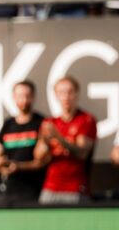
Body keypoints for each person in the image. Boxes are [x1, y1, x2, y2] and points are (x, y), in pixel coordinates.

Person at [34, 76, 96, 204]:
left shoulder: (86, 120)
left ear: (77, 94)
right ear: (56, 96)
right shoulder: (50, 122)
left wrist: (58, 137)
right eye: (61, 93)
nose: (66, 97)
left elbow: (82, 153)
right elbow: (40, 157)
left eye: (70, 92)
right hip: (50, 187)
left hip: (75, 187)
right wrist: (45, 141)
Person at [0, 80, 47, 205]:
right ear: (14, 97)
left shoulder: (42, 123)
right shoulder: (8, 124)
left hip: (33, 192)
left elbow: (42, 161)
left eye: (27, 96)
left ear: (33, 97)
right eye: (20, 96)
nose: (24, 100)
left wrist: (19, 166)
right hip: (7, 191)